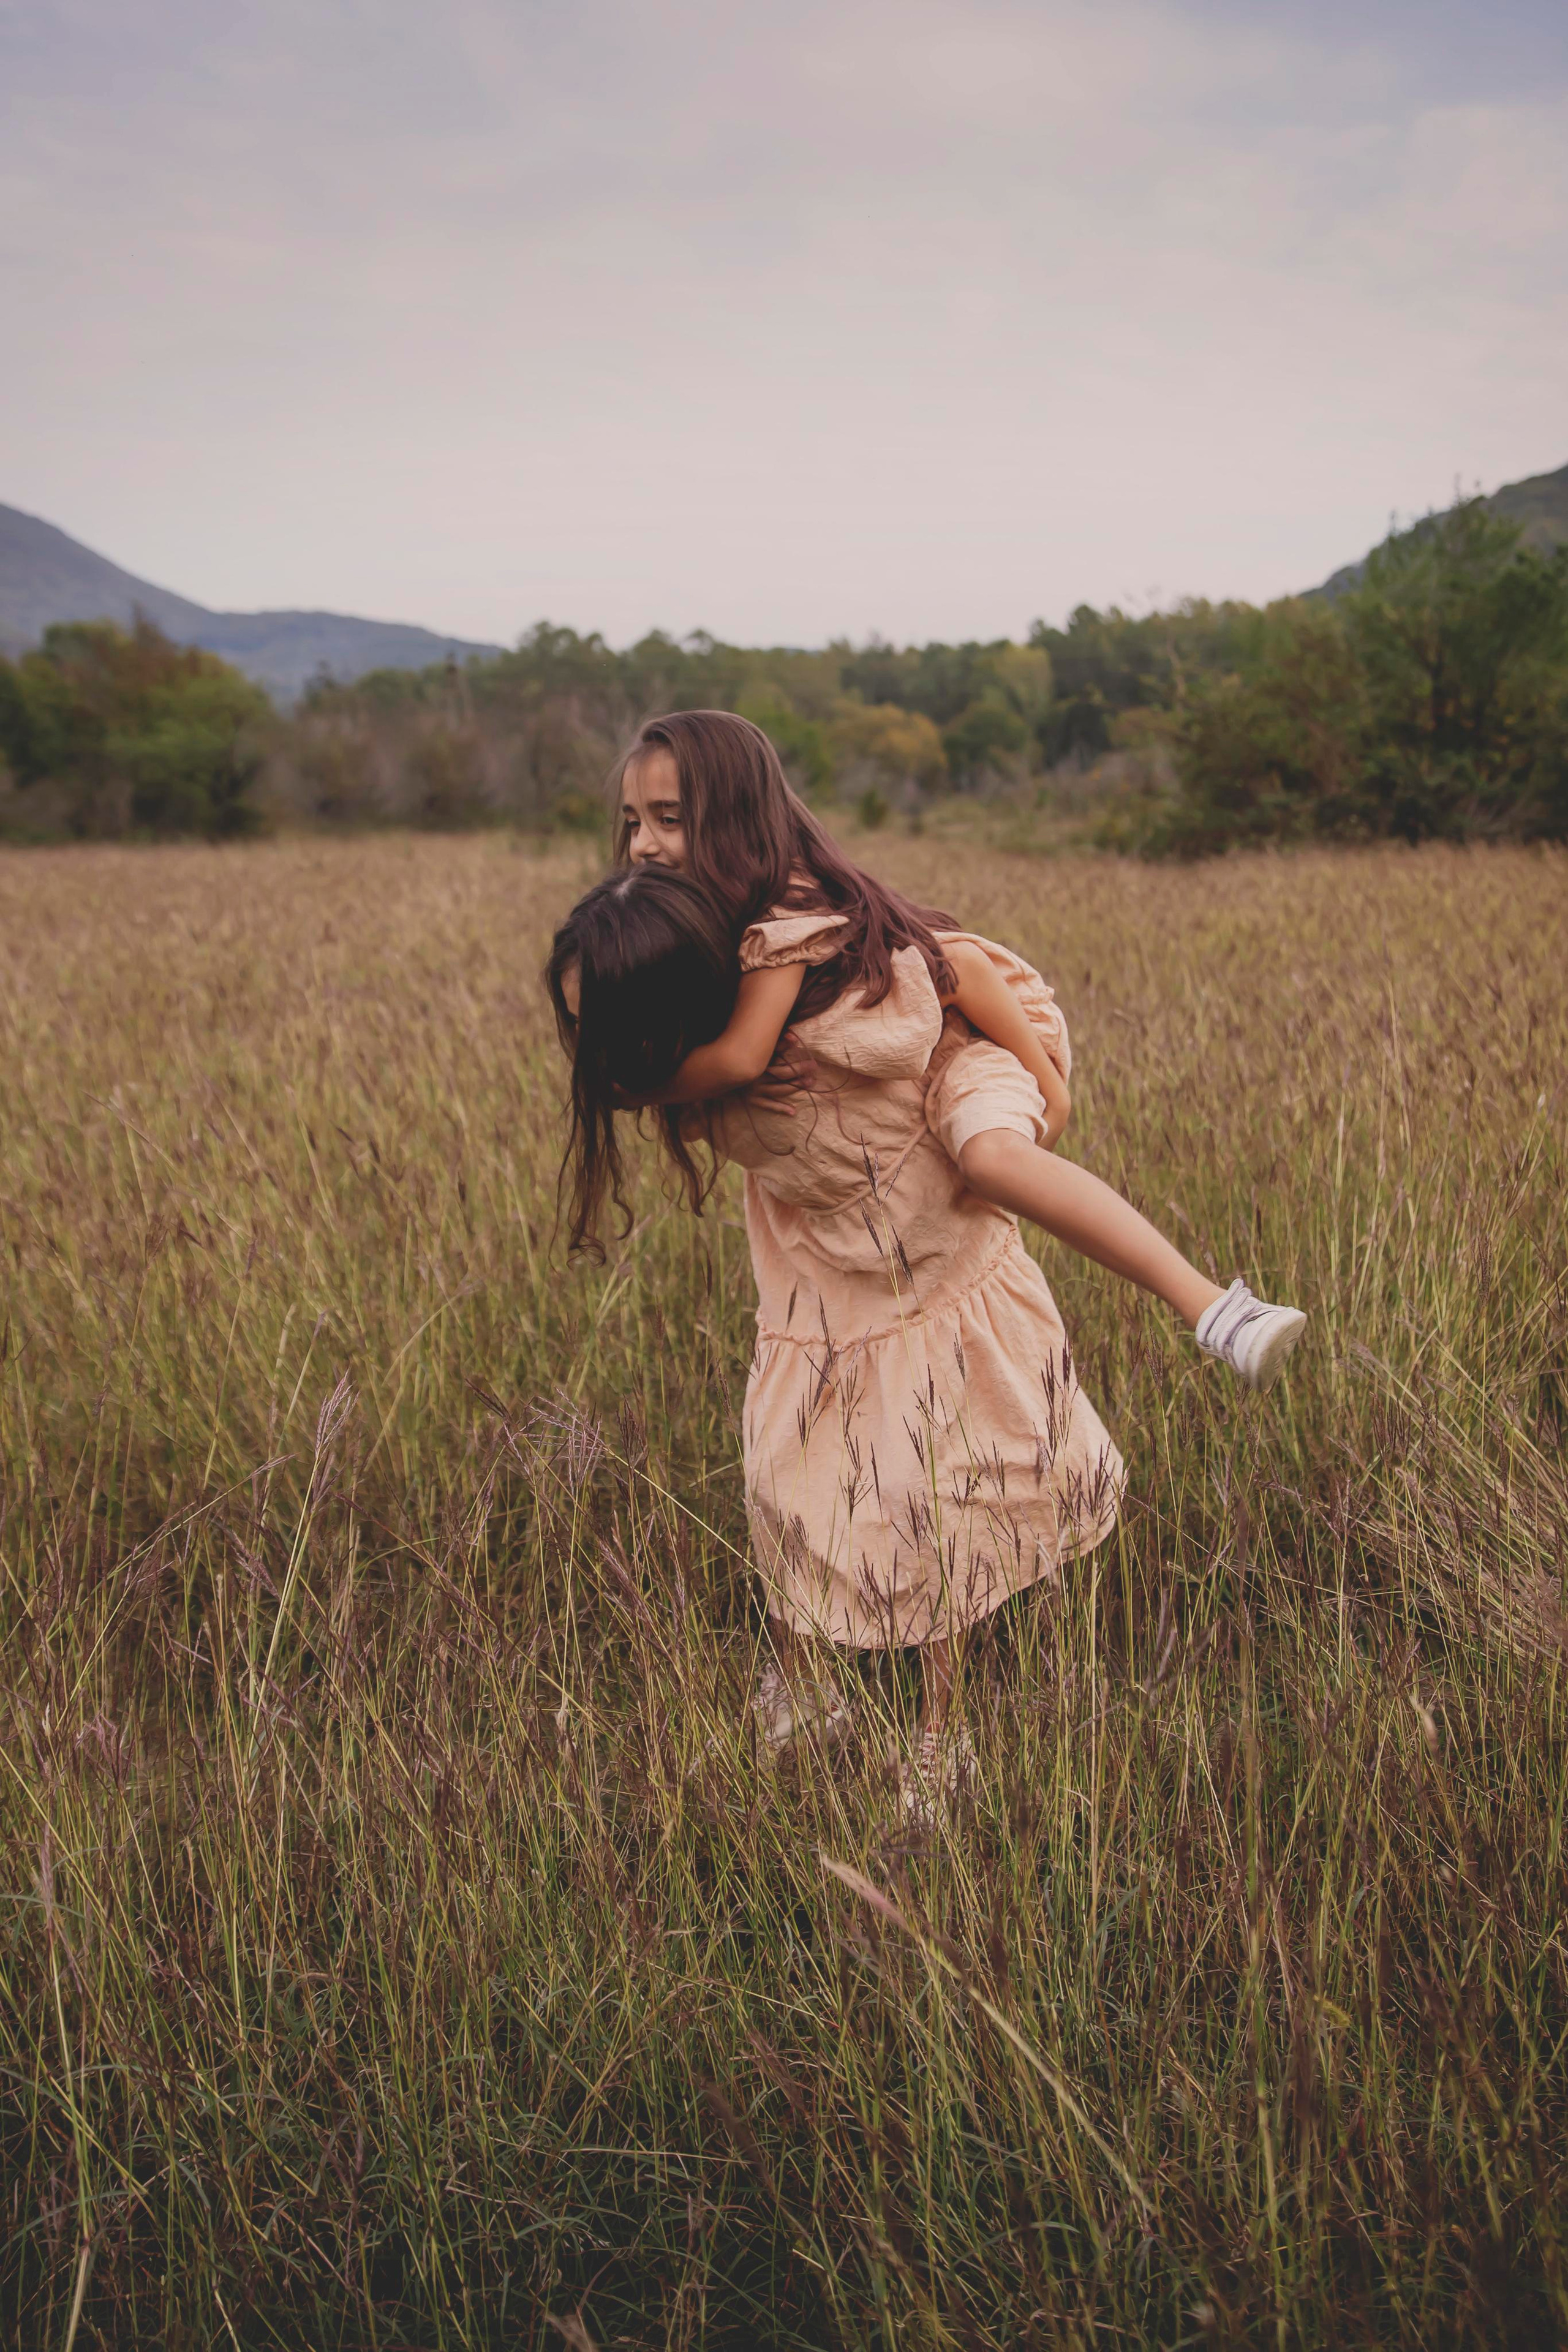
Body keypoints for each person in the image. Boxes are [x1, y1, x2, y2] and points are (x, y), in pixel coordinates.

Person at [546, 726, 1301, 1821]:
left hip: (964, 1060)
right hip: (841, 1199)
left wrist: (1047, 1084)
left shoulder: (790, 918)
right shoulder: (681, 927)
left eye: (671, 818)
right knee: (787, 1458)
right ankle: (808, 1677)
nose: (646, 843)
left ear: (739, 820)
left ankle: (1214, 1309)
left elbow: (936, 983)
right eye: (631, 822)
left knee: (987, 1214)